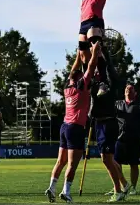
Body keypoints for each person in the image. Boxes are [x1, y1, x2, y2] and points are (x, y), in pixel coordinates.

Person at [45, 41, 101, 203]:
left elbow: (73, 69)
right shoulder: (82, 86)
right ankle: (66, 191)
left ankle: (51, 187)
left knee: (60, 161)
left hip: (64, 127)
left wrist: (78, 53)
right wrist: (95, 51)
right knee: (72, 164)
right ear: (80, 77)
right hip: (76, 128)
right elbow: (90, 67)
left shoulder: (67, 87)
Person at [87, 37, 125, 203]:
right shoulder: (94, 76)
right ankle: (123, 184)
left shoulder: (109, 76)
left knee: (106, 159)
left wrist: (103, 56)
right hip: (99, 122)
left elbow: (111, 76)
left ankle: (118, 190)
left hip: (108, 122)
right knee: (109, 159)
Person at [70, 0, 111, 97]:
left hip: (95, 20)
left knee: (96, 48)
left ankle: (104, 81)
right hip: (84, 22)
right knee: (83, 55)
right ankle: (92, 79)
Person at [105, 84, 140, 197]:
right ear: (124, 91)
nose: (128, 90)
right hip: (119, 139)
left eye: (131, 89)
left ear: (135, 92)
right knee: (116, 163)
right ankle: (119, 186)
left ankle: (133, 187)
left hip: (134, 139)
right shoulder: (117, 104)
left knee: (134, 164)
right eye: (126, 89)